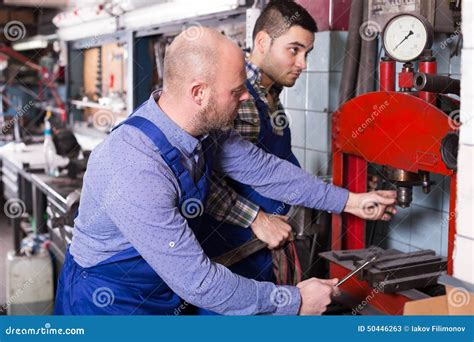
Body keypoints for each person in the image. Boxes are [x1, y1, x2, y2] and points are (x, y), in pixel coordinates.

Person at [54, 27, 396, 316]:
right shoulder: (135, 168)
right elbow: (199, 281)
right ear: (199, 93)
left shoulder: (202, 128)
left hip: (158, 291)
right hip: (108, 303)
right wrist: (295, 300)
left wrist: (349, 200)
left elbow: (267, 171)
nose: (246, 96)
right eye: (236, 90)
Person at [198, 1, 321, 300]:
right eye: (294, 50)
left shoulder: (272, 97)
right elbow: (201, 176)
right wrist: (257, 219)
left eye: (307, 53)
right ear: (263, 42)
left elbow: (275, 168)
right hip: (228, 254)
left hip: (263, 250)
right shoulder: (238, 99)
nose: (302, 63)